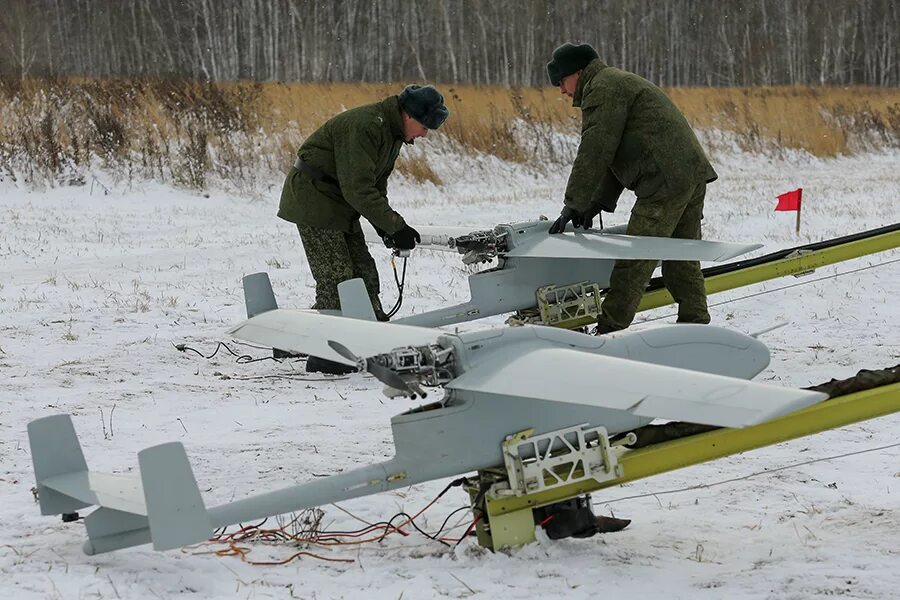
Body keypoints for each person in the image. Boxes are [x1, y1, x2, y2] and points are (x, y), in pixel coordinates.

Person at [546, 43, 718, 335]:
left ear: (578, 72)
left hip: (663, 181)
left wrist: (574, 202)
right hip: (687, 174)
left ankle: (608, 330)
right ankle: (696, 325)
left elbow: (595, 150)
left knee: (636, 257)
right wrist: (596, 201)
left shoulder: (603, 88)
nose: (562, 90)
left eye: (561, 81)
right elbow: (615, 151)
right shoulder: (613, 82)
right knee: (680, 256)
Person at [277, 85, 449, 372]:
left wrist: (387, 227)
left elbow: (374, 185)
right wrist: (395, 225)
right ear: (408, 115)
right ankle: (327, 354)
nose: (424, 134)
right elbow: (358, 189)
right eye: (424, 126)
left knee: (364, 274)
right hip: (314, 198)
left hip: (339, 203)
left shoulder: (393, 134)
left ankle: (371, 339)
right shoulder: (367, 126)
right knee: (337, 278)